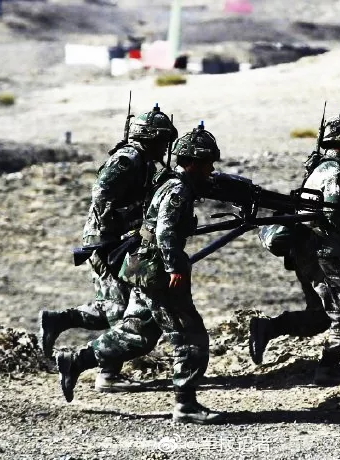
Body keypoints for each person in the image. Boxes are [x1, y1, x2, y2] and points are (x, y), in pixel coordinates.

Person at [56, 122, 223, 425]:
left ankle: (76, 360)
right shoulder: (178, 189)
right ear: (194, 162)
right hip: (157, 271)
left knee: (137, 334)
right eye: (208, 163)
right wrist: (174, 267)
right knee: (190, 336)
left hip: (142, 267)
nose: (211, 169)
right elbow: (165, 232)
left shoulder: (168, 181)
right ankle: (186, 405)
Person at [38, 104, 178, 392]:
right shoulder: (128, 160)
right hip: (108, 241)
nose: (165, 148)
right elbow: (101, 196)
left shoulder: (143, 163)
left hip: (115, 239)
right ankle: (107, 373)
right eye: (163, 141)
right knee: (121, 309)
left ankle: (60, 321)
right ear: (150, 138)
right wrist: (123, 227)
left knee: (114, 305)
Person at [249, 109, 340, 385]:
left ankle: (268, 328)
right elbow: (333, 217)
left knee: (320, 317)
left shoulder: (319, 168)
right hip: (322, 254)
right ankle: (327, 370)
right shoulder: (335, 172)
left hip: (305, 251)